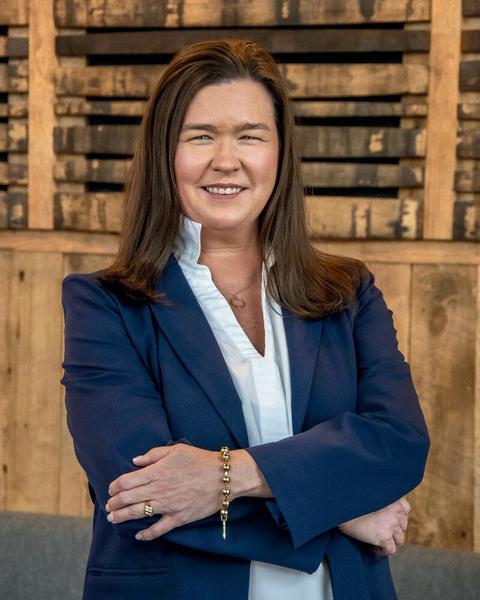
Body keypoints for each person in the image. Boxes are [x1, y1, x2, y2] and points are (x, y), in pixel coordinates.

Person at [60, 39, 430, 600]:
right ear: (164, 153)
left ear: (279, 152)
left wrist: (228, 477)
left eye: (250, 136)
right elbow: (142, 497)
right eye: (200, 136)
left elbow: (398, 444)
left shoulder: (348, 293)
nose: (226, 160)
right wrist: (340, 509)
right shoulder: (105, 306)